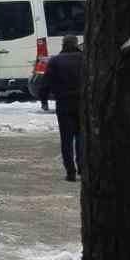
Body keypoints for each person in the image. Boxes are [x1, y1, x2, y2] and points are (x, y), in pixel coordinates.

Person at [42, 34, 85, 182]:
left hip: (63, 103)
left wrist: (44, 100)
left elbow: (45, 82)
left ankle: (70, 171)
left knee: (66, 139)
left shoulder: (55, 61)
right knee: (81, 136)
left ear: (63, 44)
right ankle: (82, 167)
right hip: (82, 102)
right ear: (76, 44)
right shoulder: (84, 59)